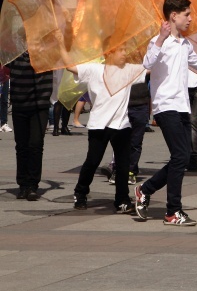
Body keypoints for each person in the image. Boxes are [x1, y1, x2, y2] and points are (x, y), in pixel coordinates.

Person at [134, 0, 197, 226]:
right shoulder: (159, 41)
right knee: (180, 156)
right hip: (165, 105)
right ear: (174, 16)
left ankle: (146, 189)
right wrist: (161, 38)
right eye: (187, 14)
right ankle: (173, 211)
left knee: (181, 158)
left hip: (182, 106)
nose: (190, 19)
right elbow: (147, 64)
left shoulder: (184, 44)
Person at [60, 38, 147, 214]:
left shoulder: (129, 70)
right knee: (93, 161)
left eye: (125, 49)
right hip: (99, 125)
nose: (124, 53)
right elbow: (70, 66)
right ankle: (80, 192)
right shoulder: (94, 69)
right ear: (108, 53)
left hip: (122, 125)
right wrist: (60, 43)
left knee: (123, 165)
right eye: (120, 50)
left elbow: (151, 66)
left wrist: (159, 40)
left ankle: (122, 200)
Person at [8, 50, 52, 201]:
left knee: (35, 145)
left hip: (40, 105)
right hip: (19, 103)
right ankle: (23, 185)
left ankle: (33, 185)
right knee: (21, 146)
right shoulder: (13, 53)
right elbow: (4, 60)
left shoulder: (47, 50)